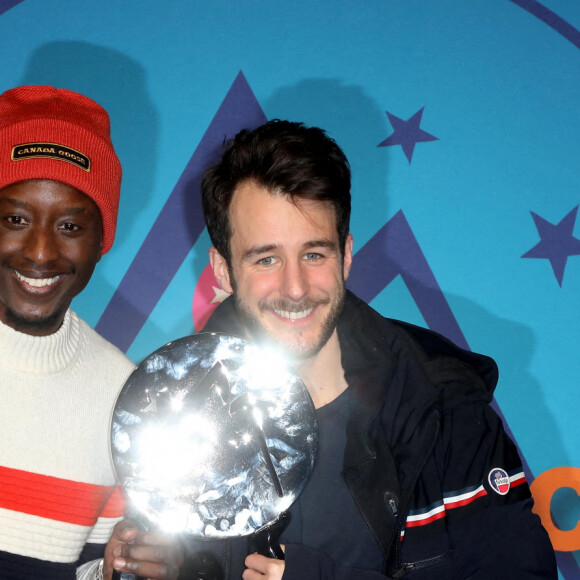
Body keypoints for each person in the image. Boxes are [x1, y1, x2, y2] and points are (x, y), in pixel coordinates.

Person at [195, 120, 558, 579]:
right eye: (266, 258)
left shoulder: (442, 407)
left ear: (346, 255)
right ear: (223, 270)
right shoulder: (175, 412)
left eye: (314, 254)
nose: (294, 287)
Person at [0, 85, 182, 580]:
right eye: (14, 219)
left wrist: (111, 570)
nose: (39, 252)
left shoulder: (124, 395)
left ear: (103, 239)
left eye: (70, 226)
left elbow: (83, 570)